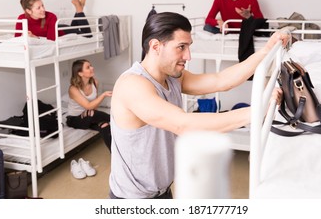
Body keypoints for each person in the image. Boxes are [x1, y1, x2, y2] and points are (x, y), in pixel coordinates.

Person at [108, 12, 288, 199]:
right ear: (155, 46)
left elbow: (221, 80)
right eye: (181, 47)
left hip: (162, 191)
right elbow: (183, 124)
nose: (188, 56)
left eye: (188, 47)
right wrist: (258, 111)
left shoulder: (173, 77)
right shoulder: (133, 85)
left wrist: (266, 50)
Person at [66, 59, 112, 152]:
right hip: (75, 119)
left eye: (91, 65)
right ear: (80, 73)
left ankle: (115, 156)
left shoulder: (95, 82)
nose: (92, 68)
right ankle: (114, 118)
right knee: (91, 112)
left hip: (89, 116)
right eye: (88, 67)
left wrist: (95, 114)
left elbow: (94, 106)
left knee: (104, 125)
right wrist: (103, 95)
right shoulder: (73, 89)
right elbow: (88, 106)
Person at [15, 0, 91, 40]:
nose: (43, 9)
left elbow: (51, 40)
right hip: (55, 27)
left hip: (62, 30)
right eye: (38, 8)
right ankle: (78, 5)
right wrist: (27, 36)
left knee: (88, 36)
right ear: (28, 11)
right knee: (75, 28)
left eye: (42, 5)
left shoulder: (51, 16)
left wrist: (35, 37)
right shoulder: (22, 19)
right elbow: (17, 39)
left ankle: (79, 8)